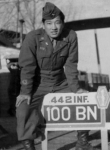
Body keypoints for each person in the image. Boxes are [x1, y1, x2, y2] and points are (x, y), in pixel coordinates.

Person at [16, 2, 98, 150]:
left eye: (57, 23)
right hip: (37, 84)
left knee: (84, 101)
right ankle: (29, 146)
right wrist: (25, 92)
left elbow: (71, 65)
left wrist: (76, 88)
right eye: (49, 23)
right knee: (23, 108)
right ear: (43, 25)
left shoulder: (71, 36)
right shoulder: (32, 38)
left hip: (61, 83)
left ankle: (82, 142)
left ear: (62, 23)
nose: (53, 27)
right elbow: (27, 67)